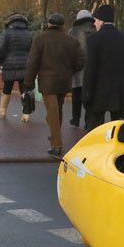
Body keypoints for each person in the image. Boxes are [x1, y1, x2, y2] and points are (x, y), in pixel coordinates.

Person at [23, 13, 84, 157]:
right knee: (57, 109)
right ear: (62, 25)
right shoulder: (71, 41)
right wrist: (70, 71)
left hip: (47, 80)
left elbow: (33, 62)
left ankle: (56, 145)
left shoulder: (40, 39)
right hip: (64, 80)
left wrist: (28, 82)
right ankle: (54, 134)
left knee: (52, 112)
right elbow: (81, 61)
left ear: (49, 24)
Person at [82, 4, 124, 130]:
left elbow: (90, 69)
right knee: (122, 131)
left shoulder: (93, 39)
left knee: (95, 131)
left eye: (96, 20)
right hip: (121, 93)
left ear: (102, 20)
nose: (95, 24)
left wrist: (86, 94)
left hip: (98, 92)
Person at [0, 13, 34, 122]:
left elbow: (0, 48)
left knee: (7, 88)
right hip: (25, 66)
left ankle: (3, 110)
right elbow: (33, 51)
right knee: (24, 90)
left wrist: (1, 60)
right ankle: (26, 114)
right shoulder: (28, 34)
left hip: (9, 65)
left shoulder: (7, 33)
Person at [67, 9, 95, 127]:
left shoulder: (73, 31)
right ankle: (88, 120)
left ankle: (75, 118)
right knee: (90, 96)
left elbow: (69, 50)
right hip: (92, 69)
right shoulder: (95, 30)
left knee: (76, 95)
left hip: (77, 69)